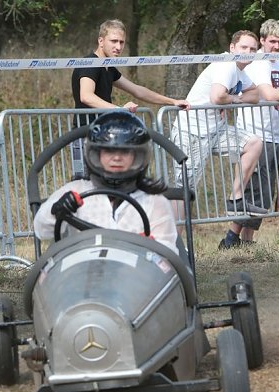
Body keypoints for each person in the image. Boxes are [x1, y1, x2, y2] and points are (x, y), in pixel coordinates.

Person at [220, 19, 279, 249]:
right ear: (263, 41)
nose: (277, 46)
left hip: (274, 135)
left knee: (265, 191)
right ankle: (231, 238)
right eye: (273, 41)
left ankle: (247, 241)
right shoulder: (258, 63)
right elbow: (269, 94)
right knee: (252, 189)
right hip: (254, 135)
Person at [34, 111, 179, 255]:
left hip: (136, 276)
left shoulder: (154, 202)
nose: (116, 158)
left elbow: (169, 257)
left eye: (125, 152)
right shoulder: (76, 190)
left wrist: (150, 248)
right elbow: (42, 231)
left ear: (138, 156)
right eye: (109, 151)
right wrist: (56, 212)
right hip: (81, 274)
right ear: (96, 154)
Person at [71, 19, 190, 178]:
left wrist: (172, 101)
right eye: (114, 41)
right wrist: (120, 110)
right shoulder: (91, 63)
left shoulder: (108, 67)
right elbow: (86, 96)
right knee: (85, 188)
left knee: (108, 186)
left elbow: (138, 90)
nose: (118, 47)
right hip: (85, 136)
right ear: (101, 41)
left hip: (103, 136)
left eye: (122, 42)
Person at [171, 30, 264, 218]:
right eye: (243, 47)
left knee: (253, 143)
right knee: (183, 192)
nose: (248, 52)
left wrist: (233, 99)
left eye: (252, 49)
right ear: (232, 48)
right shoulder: (227, 65)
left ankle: (236, 201)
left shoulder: (239, 70)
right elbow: (217, 96)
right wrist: (233, 99)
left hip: (216, 130)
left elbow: (255, 94)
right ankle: (173, 244)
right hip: (193, 132)